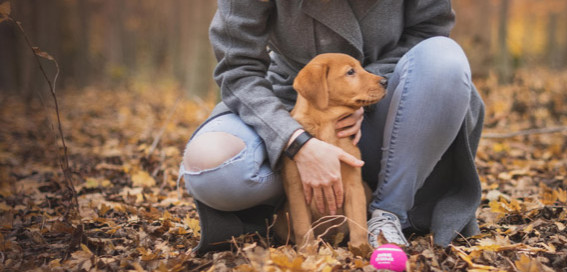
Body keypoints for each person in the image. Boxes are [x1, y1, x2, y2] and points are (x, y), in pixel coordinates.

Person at [180, 0, 485, 255]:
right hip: (287, 102)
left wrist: (363, 93)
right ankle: (285, 216)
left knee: (445, 58)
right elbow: (237, 67)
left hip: (393, 99)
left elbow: (430, 31)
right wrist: (293, 139)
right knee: (210, 166)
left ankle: (388, 212)